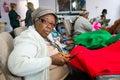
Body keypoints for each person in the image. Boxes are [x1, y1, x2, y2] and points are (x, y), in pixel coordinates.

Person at [7, 6, 70, 80]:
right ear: (36, 21)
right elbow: (16, 65)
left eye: (52, 24)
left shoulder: (46, 35)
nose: (49, 26)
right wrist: (51, 60)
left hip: (66, 70)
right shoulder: (29, 37)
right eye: (45, 21)